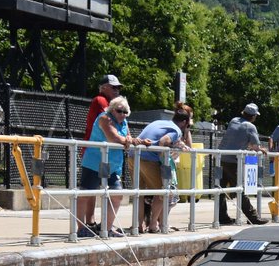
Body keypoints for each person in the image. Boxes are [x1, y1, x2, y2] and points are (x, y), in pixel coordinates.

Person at [79, 96, 148, 238]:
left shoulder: (124, 122)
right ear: (112, 109)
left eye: (125, 112)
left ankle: (107, 228)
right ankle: (80, 228)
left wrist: (131, 140)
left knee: (117, 195)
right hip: (94, 161)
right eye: (119, 111)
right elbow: (114, 138)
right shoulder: (105, 118)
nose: (122, 115)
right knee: (85, 194)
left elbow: (127, 137)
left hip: (113, 164)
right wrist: (132, 141)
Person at [133, 105, 193, 233]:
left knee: (138, 192)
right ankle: (154, 225)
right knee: (163, 192)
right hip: (148, 158)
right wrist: (163, 160)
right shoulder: (176, 130)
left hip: (133, 156)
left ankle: (138, 225)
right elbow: (163, 141)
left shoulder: (160, 122)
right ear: (185, 122)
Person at [76, 74, 122, 232]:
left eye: (118, 87)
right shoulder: (101, 100)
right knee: (89, 190)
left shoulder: (110, 104)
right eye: (114, 87)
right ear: (103, 88)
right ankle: (87, 223)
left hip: (101, 153)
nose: (117, 90)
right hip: (95, 152)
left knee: (95, 189)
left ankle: (91, 222)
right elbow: (109, 120)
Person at [217, 102, 269, 225]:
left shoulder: (234, 120)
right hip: (233, 161)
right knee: (241, 189)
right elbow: (256, 146)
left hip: (220, 158)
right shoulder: (250, 126)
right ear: (253, 116)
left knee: (220, 190)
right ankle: (253, 217)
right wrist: (261, 149)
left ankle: (221, 217)